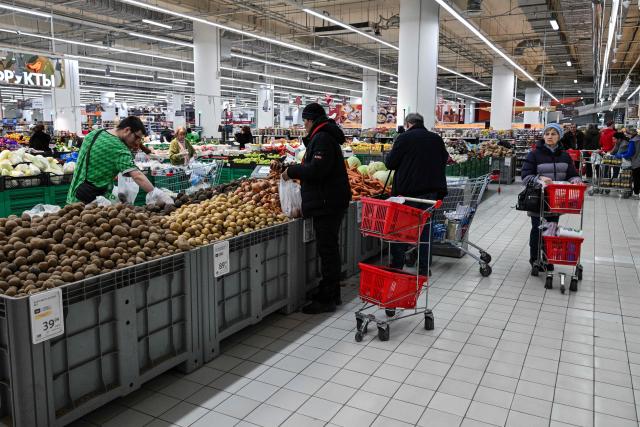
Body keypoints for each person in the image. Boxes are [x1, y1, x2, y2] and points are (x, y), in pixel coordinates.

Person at [278, 103, 351, 314]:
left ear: (310, 121)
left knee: (327, 250)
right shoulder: (324, 136)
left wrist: (292, 171)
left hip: (327, 203)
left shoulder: (322, 138)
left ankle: (327, 299)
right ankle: (331, 292)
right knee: (329, 249)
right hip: (329, 201)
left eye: (305, 122)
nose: (304, 126)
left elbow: (317, 169)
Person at [384, 113, 448, 277]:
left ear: (408, 123)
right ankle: (424, 268)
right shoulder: (436, 139)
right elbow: (444, 160)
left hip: (409, 194)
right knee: (426, 230)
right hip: (431, 192)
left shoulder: (404, 138)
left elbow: (390, 163)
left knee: (402, 228)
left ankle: (398, 264)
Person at [67, 116, 172, 206]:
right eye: (137, 138)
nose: (137, 143)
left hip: (73, 196)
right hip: (90, 203)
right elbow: (137, 176)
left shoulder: (94, 134)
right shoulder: (119, 148)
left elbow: (97, 161)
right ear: (127, 130)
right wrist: (156, 193)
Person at [521, 123, 581, 273]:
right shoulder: (534, 154)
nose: (549, 136)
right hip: (537, 199)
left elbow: (572, 174)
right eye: (547, 133)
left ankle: (548, 257)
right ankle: (535, 259)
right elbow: (525, 176)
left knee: (551, 229)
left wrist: (575, 180)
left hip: (557, 200)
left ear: (559, 136)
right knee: (537, 229)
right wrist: (539, 178)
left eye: (553, 133)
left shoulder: (565, 155)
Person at [615, 129, 640, 198]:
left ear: (630, 134)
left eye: (627, 134)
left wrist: (621, 155)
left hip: (637, 162)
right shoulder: (638, 138)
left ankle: (636, 194)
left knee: (636, 178)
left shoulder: (632, 141)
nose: (626, 136)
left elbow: (630, 153)